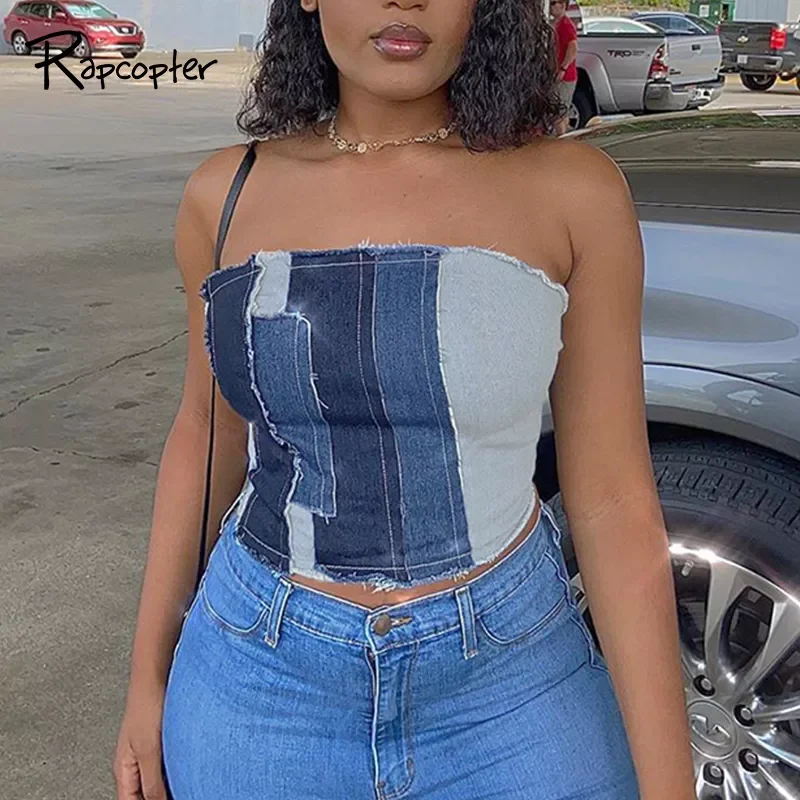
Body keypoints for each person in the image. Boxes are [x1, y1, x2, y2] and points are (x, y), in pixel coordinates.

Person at [113, 1, 696, 798]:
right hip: (256, 684)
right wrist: (147, 678)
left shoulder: (573, 192)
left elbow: (616, 503)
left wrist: (670, 783)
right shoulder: (225, 196)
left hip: (511, 682)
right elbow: (204, 434)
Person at [550, 0, 579, 135]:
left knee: (560, 111)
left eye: (553, 3)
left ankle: (562, 137)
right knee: (558, 110)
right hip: (559, 73)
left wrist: (563, 68)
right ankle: (561, 135)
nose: (550, 7)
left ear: (562, 5)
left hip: (565, 76)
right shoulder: (556, 24)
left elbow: (573, 47)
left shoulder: (566, 25)